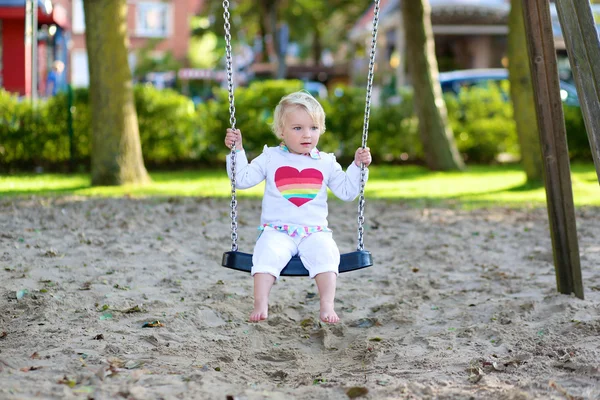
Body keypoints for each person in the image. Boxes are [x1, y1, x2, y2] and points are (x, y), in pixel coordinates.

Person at [224, 91, 372, 324]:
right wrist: (237, 151)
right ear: (281, 132)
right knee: (265, 254)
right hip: (277, 230)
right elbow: (241, 179)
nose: (307, 135)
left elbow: (347, 192)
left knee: (327, 254)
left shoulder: (325, 162)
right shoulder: (271, 157)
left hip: (314, 232)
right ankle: (260, 303)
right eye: (297, 128)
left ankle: (327, 305)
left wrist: (358, 166)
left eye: (313, 128)